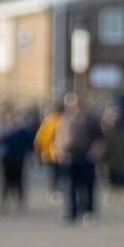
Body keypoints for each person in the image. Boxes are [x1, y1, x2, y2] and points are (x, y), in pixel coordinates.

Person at [54, 92, 104, 223]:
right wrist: (59, 151)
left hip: (85, 156)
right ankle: (71, 213)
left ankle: (88, 211)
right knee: (69, 186)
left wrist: (95, 153)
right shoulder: (64, 119)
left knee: (87, 186)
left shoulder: (90, 119)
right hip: (69, 158)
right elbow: (59, 137)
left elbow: (99, 139)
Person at [0, 103, 32, 213]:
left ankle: (19, 202)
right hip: (5, 158)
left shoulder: (22, 130)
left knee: (19, 180)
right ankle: (4, 202)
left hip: (19, 158)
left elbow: (28, 142)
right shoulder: (1, 129)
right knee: (5, 181)